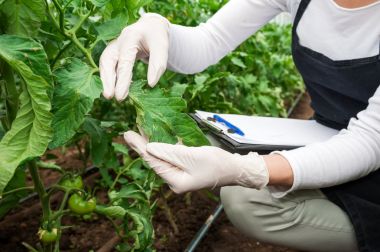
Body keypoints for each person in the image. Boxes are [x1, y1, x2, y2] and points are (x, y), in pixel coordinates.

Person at [99, 0, 380, 251]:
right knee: (207, 150)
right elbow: (208, 41)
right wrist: (157, 30)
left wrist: (249, 169)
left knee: (243, 191)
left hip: (371, 155)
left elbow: (369, 142)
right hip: (327, 135)